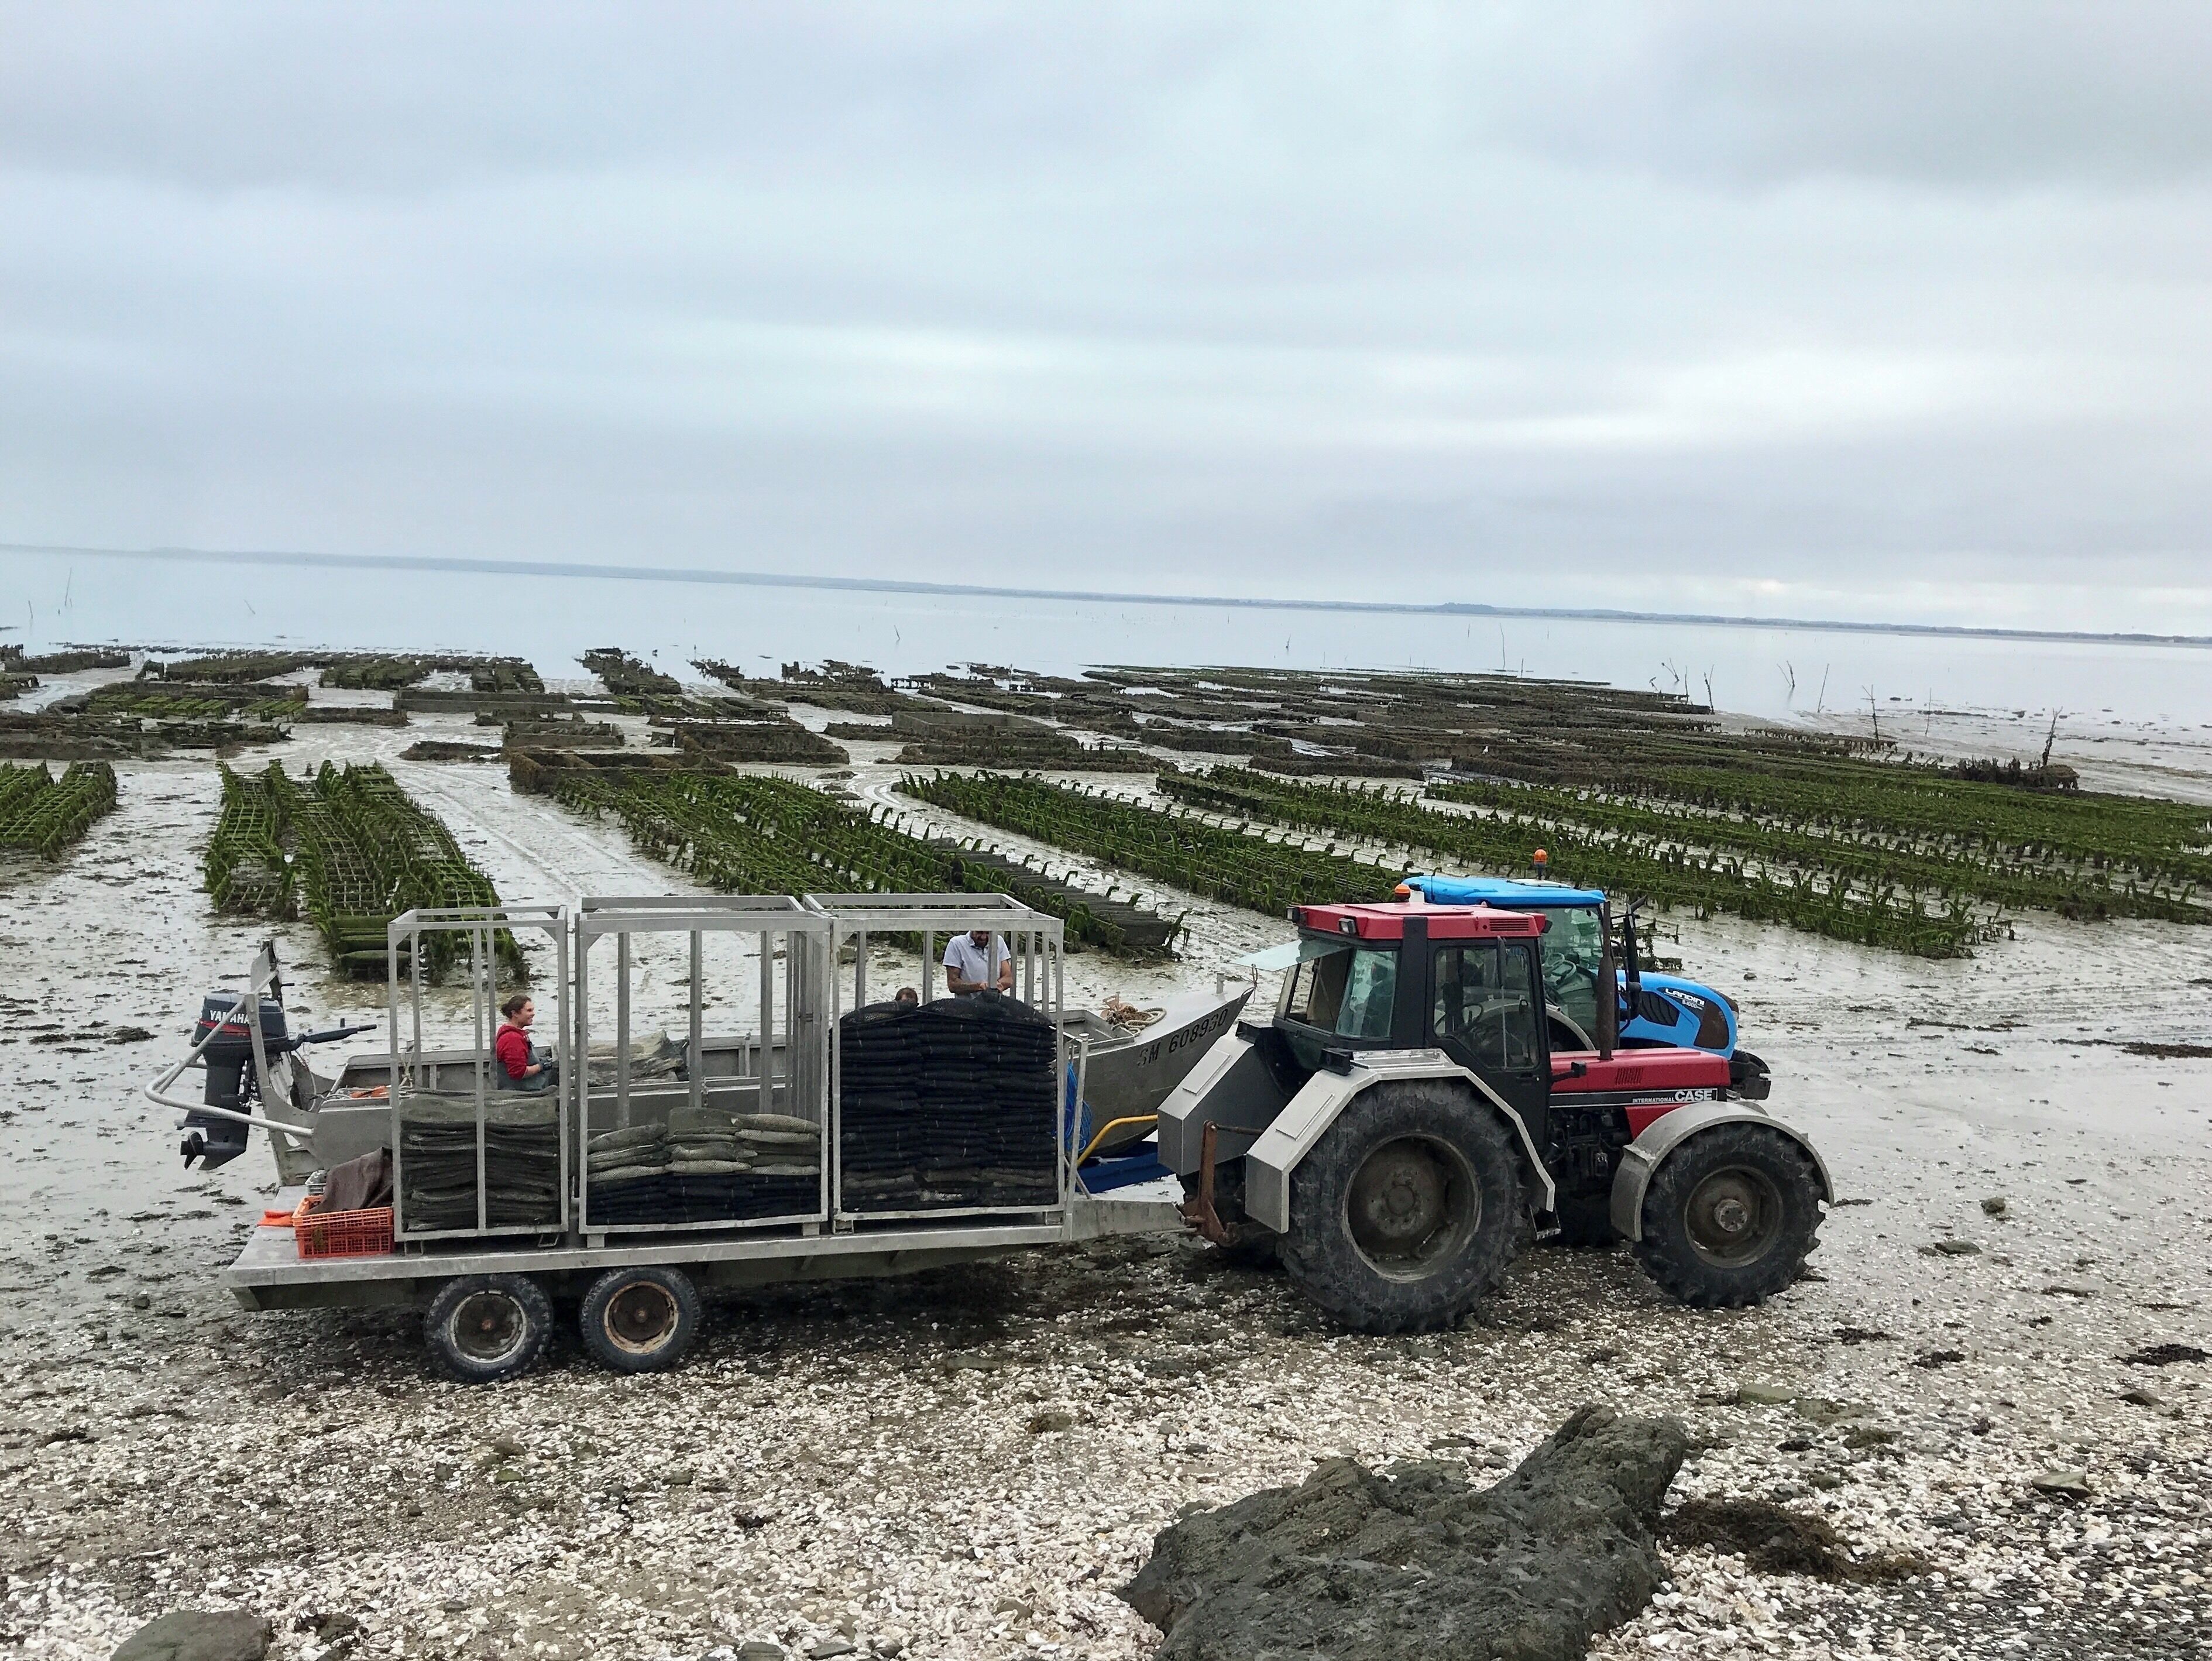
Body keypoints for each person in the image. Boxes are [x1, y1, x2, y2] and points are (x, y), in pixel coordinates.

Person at [494, 993, 555, 1092]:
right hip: (519, 1094)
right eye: (529, 1011)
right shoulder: (512, 1039)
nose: (533, 1014)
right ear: (515, 1014)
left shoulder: (517, 1035)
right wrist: (541, 1066)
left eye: (533, 1010)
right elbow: (519, 1073)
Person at [942, 928, 1014, 997]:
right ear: (972, 929)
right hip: (966, 1006)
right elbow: (953, 984)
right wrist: (979, 986)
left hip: (995, 1005)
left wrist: (997, 986)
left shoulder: (998, 941)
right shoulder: (956, 944)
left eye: (988, 933)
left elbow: (1008, 978)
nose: (983, 937)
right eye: (979, 932)